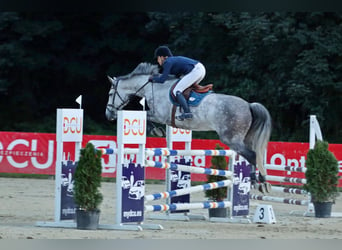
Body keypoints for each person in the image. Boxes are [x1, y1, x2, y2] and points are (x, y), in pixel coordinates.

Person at [149, 45, 206, 121]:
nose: (157, 61)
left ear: (162, 57)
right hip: (200, 69)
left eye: (157, 58)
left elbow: (163, 80)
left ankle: (187, 112)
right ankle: (191, 107)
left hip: (196, 71)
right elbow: (172, 77)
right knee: (184, 89)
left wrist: (153, 78)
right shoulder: (172, 61)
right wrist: (158, 77)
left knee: (177, 90)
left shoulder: (167, 62)